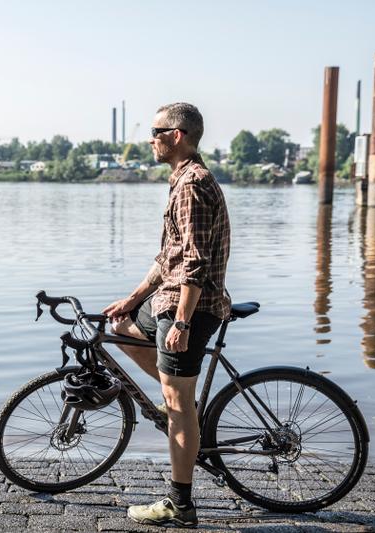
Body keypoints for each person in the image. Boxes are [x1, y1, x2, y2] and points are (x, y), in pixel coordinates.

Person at [103, 102, 231, 529]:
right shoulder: (181, 182)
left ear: (177, 135)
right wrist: (132, 298)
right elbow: (168, 258)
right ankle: (182, 402)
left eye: (156, 131)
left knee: (177, 408)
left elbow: (193, 263)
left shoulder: (192, 185)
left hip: (188, 308)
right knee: (121, 328)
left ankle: (181, 505)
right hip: (170, 301)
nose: (150, 138)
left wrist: (181, 322)